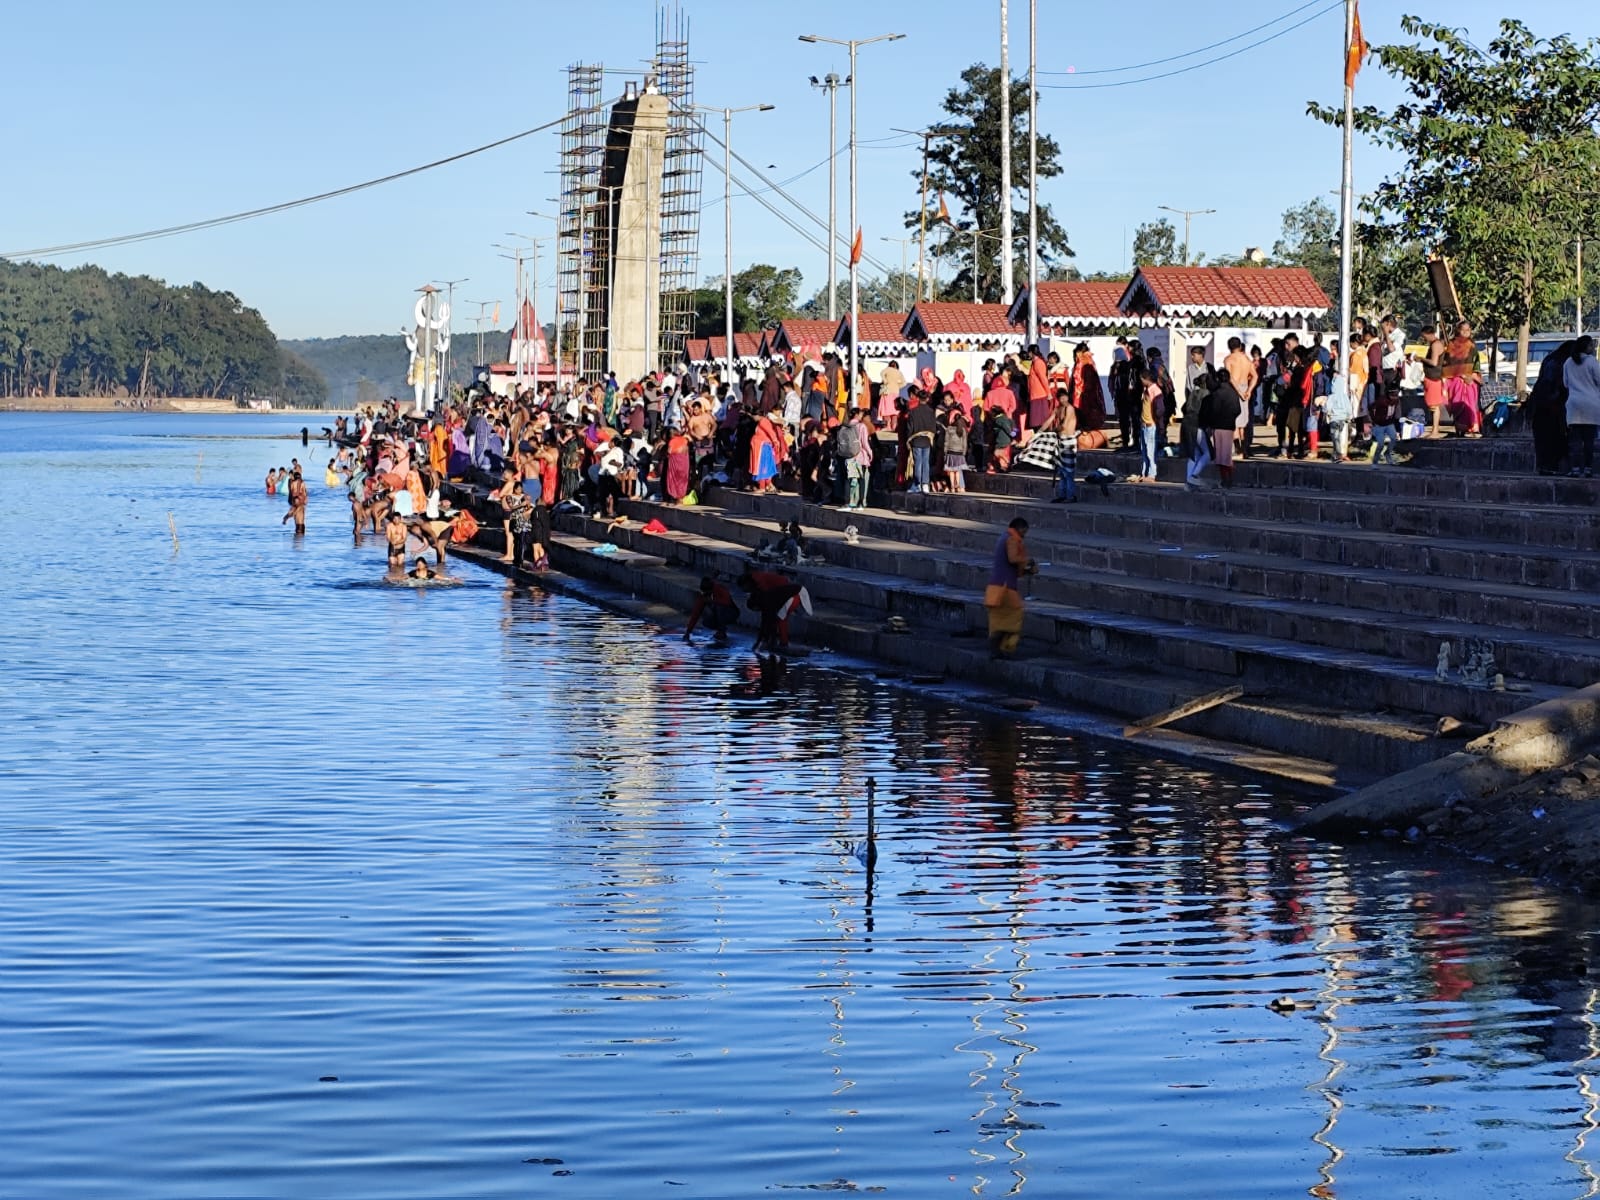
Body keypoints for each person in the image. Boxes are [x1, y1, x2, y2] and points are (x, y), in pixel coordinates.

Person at [984, 517, 1035, 660]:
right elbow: (1013, 559)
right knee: (1014, 616)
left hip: (997, 586)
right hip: (1004, 587)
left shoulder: (1004, 537)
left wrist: (1025, 569)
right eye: (1024, 531)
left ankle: (998, 648)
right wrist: (1027, 561)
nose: (1025, 534)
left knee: (1000, 619)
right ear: (1019, 528)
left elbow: (1011, 564)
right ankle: (1000, 646)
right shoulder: (1012, 539)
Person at [1528, 339, 1578, 475]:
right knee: (1555, 437)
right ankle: (1554, 466)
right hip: (1553, 404)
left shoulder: (1550, 359)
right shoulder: (1564, 362)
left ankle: (1545, 466)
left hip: (1541, 403)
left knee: (1543, 439)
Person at [1564, 336, 1600, 477]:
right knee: (1589, 440)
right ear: (1587, 347)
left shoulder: (1568, 362)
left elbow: (1566, 384)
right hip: (1591, 405)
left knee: (1575, 441)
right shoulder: (1592, 362)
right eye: (1591, 345)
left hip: (1574, 405)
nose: (1593, 348)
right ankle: (1588, 469)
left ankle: (1575, 469)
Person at [1441, 321, 1483, 436]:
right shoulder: (1450, 345)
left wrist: (1472, 376)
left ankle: (1471, 428)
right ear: (1457, 330)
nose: (1465, 333)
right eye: (1463, 330)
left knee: (1469, 405)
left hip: (1470, 381)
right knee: (1457, 404)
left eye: (1468, 330)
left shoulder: (1472, 346)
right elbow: (1447, 363)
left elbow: (1476, 364)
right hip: (1455, 381)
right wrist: (1460, 374)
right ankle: (1459, 429)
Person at [684, 575, 740, 642]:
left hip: (731, 613)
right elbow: (696, 613)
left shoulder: (720, 589)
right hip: (717, 615)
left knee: (720, 607)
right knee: (707, 622)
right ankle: (720, 630)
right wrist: (688, 631)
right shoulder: (703, 596)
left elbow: (727, 602)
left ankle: (721, 631)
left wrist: (713, 601)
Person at [905, 392, 938, 493]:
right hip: (927, 440)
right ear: (927, 399)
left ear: (918, 399)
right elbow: (933, 428)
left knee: (918, 463)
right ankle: (925, 484)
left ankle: (917, 483)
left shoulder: (913, 412)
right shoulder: (931, 412)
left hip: (916, 439)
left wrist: (909, 438)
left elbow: (909, 428)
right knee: (925, 463)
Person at [281, 470, 307, 534]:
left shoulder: (292, 483)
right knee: (299, 519)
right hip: (299, 502)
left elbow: (291, 493)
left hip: (296, 501)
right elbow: (304, 493)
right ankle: (286, 517)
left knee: (298, 518)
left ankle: (286, 517)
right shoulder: (302, 483)